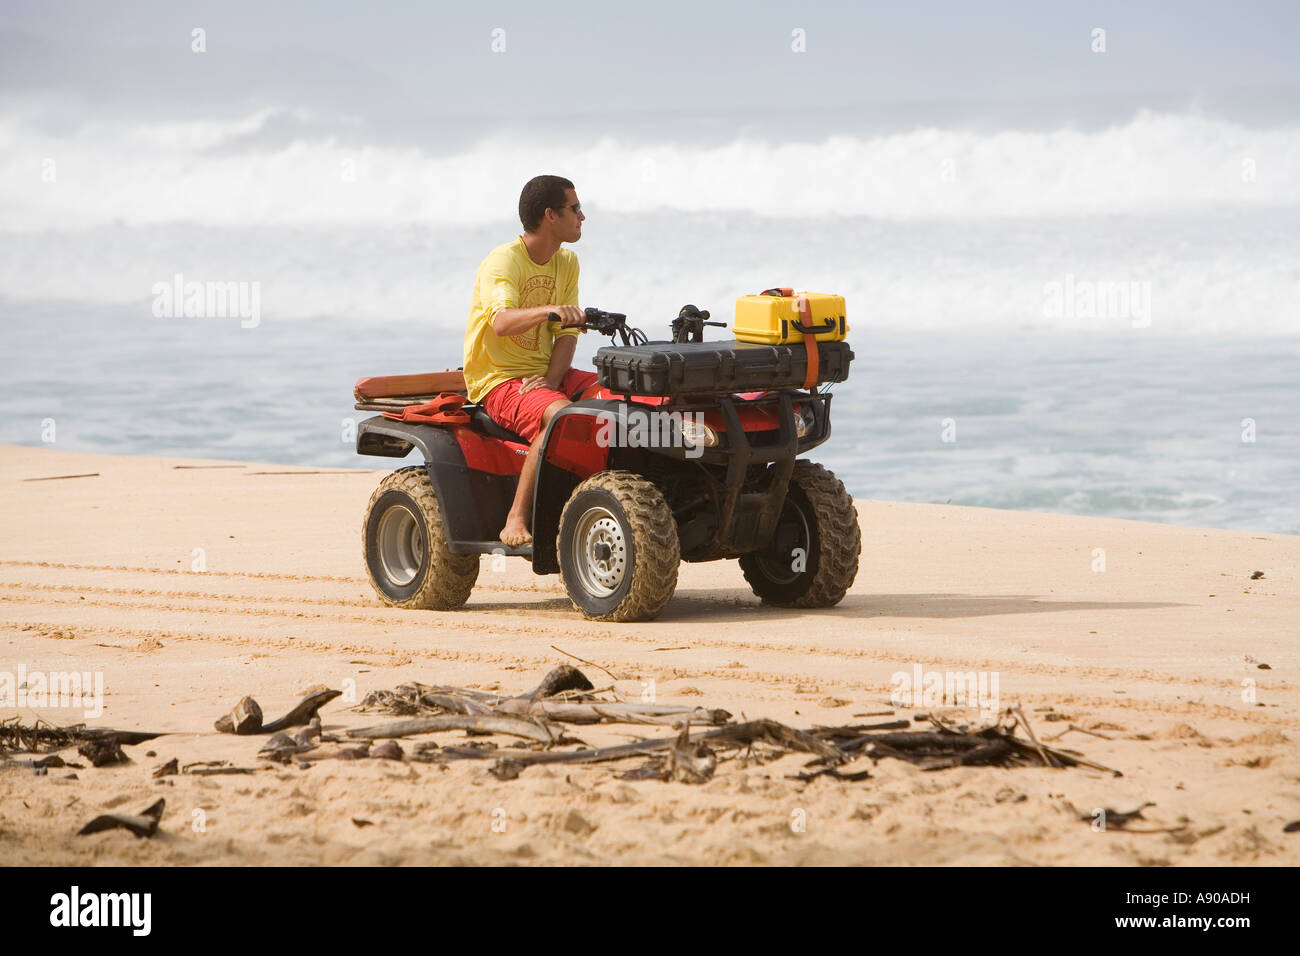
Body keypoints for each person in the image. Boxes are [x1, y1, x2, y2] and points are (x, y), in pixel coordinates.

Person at [463, 175, 597, 547]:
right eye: (575, 209)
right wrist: (548, 310)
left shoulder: (567, 262)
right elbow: (502, 322)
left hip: (545, 377)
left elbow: (567, 334)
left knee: (619, 399)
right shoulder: (504, 261)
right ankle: (516, 517)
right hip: (502, 380)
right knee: (560, 417)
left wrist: (552, 382)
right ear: (550, 216)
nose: (582, 217)